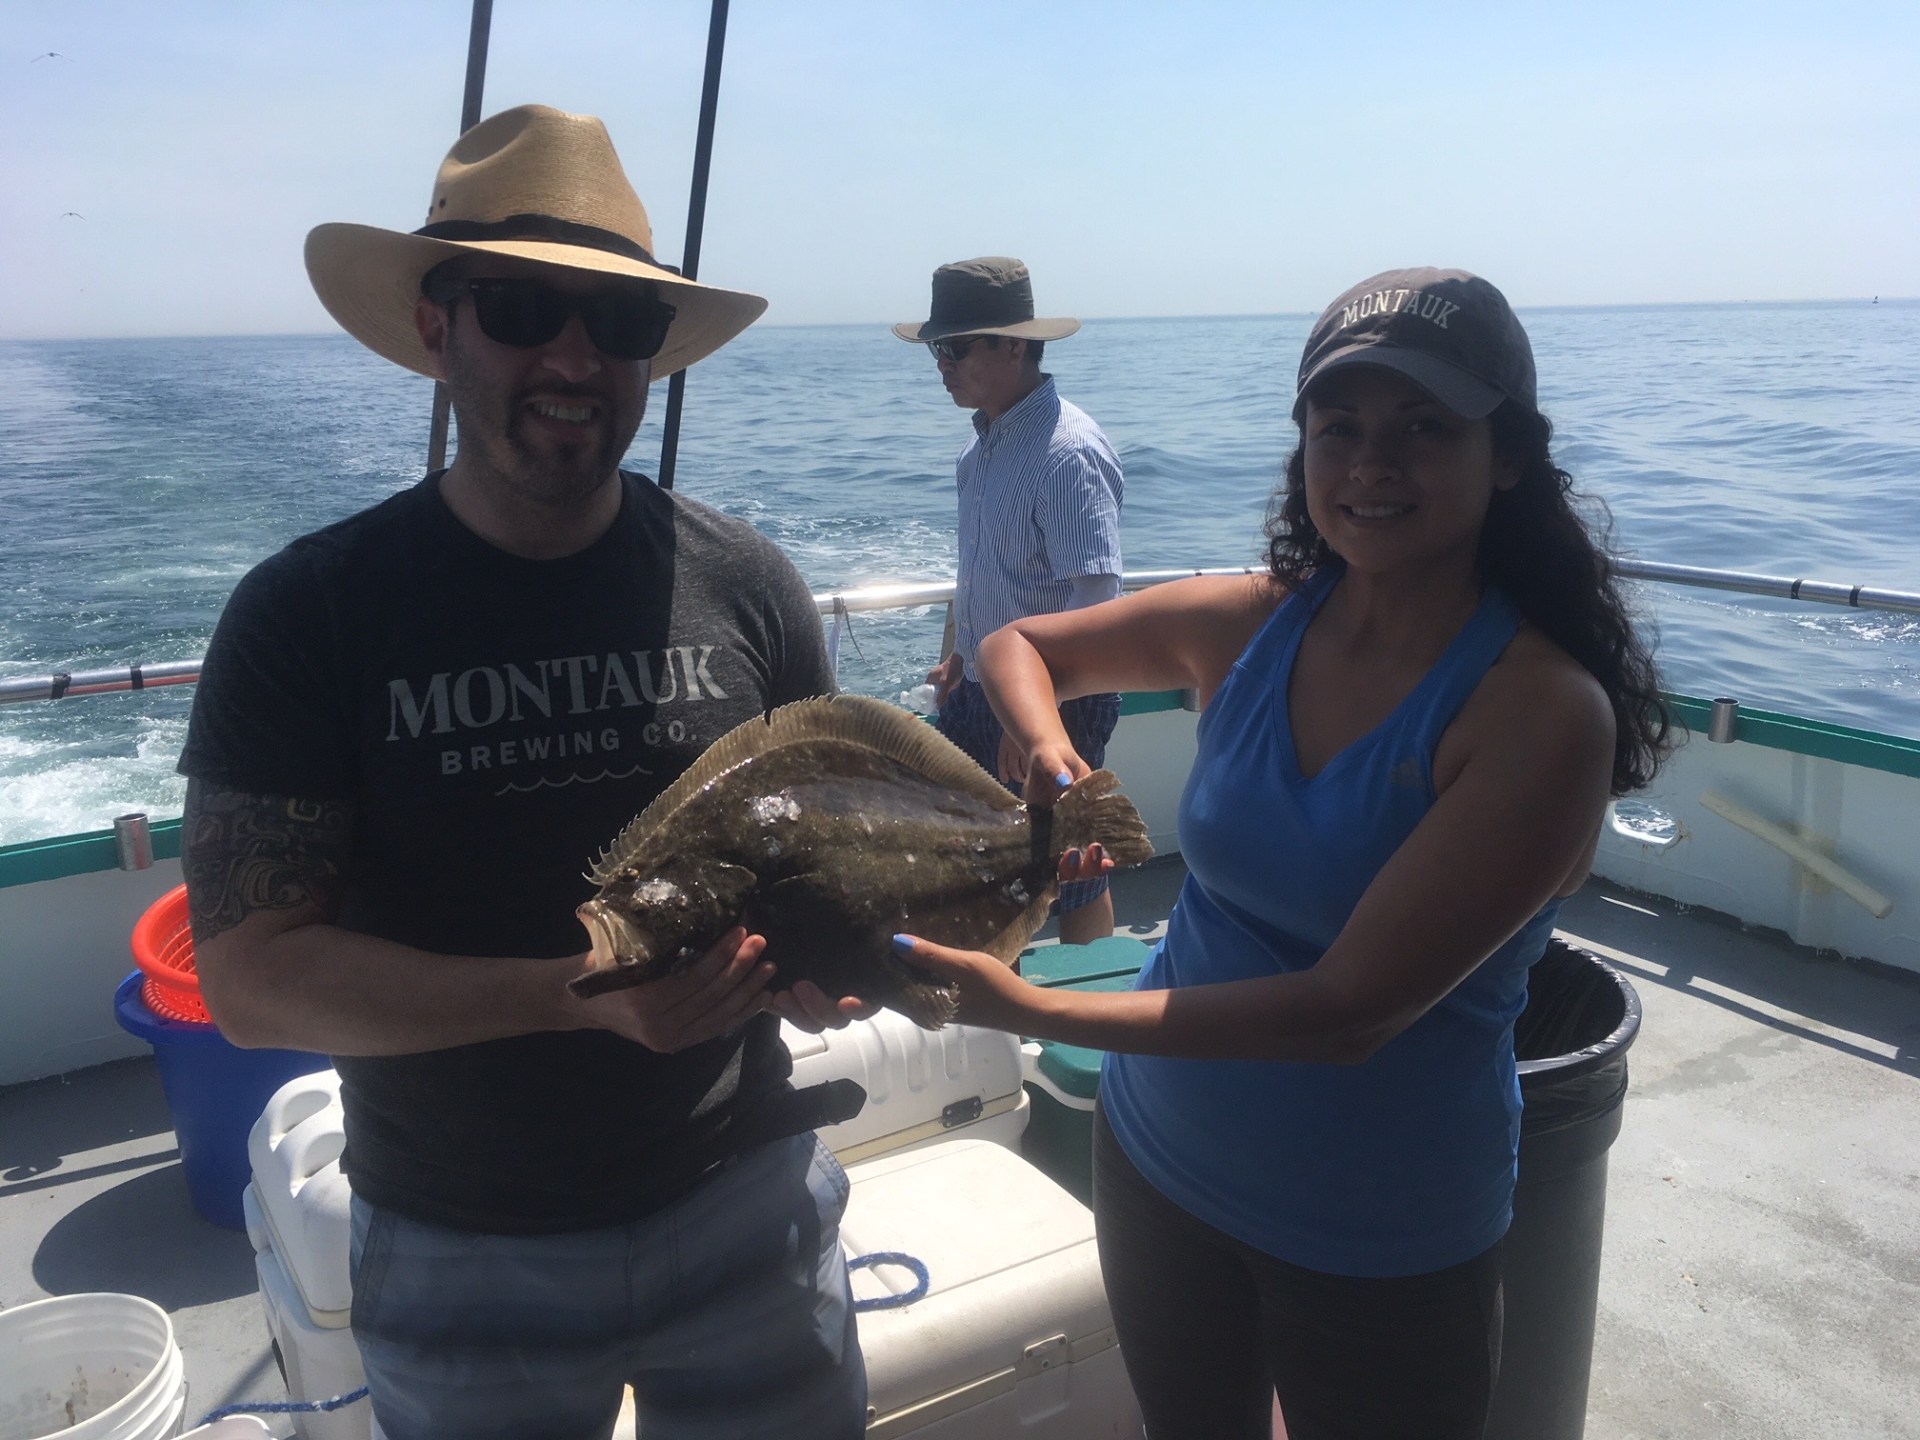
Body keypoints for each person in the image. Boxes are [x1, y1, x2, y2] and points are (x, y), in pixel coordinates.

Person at [177, 105, 869, 1440]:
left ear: (652, 355)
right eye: (520, 306)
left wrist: (863, 958)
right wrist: (573, 998)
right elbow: (251, 979)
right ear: (437, 327)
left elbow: (817, 862)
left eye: (616, 322)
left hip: (749, 1205)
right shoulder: (308, 613)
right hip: (459, 1246)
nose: (573, 355)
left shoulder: (751, 585)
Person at [895, 268, 1671, 1440]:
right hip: (1158, 1160)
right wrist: (1056, 761)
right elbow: (1019, 645)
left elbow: (1344, 1013)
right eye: (1339, 426)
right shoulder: (1257, 621)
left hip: (1381, 1230)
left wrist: (1022, 1009)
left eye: (1425, 429)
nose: (1372, 462)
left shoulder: (1543, 715)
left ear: (1506, 455)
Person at [893, 256, 1125, 945]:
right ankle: (1000, 1011)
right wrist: (957, 658)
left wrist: (1032, 723)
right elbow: (977, 576)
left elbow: (1096, 603)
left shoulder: (1067, 453)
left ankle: (1092, 1014)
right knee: (986, 868)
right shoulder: (980, 453)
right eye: (938, 348)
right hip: (979, 693)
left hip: (1059, 699)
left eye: (956, 347)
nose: (943, 363)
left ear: (1014, 345)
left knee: (1072, 865)